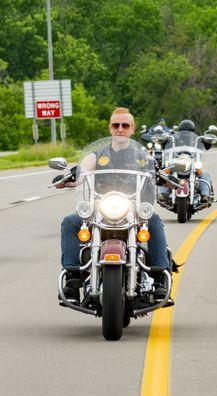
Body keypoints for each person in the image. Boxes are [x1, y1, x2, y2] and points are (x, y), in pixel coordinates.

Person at [56, 107, 171, 301]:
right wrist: (69, 178)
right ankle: (73, 279)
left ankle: (160, 279)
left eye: (125, 125)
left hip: (134, 210)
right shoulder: (96, 156)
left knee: (154, 221)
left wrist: (169, 179)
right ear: (110, 128)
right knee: (70, 222)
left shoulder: (144, 158)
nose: (120, 129)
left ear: (132, 129)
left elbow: (160, 174)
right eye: (116, 125)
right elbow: (82, 173)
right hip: (101, 209)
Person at [163, 119, 213, 203]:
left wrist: (208, 140)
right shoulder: (173, 138)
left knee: (205, 174)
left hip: (191, 163)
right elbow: (165, 146)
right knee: (164, 173)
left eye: (188, 132)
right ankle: (163, 194)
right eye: (183, 132)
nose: (185, 135)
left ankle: (205, 195)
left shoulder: (198, 139)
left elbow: (206, 146)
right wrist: (164, 140)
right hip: (177, 161)